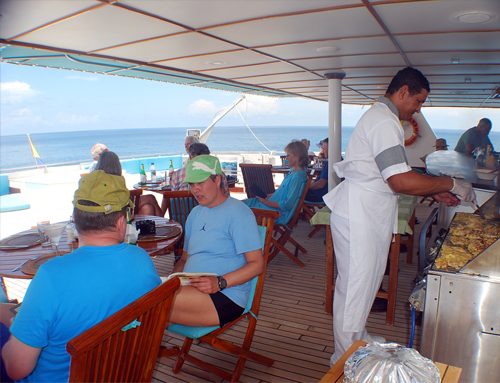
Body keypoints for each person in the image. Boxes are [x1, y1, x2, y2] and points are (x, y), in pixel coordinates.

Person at [322, 67, 475, 367]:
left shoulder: (385, 119)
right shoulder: (383, 121)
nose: (417, 109)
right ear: (403, 91)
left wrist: (434, 191)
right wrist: (450, 184)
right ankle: (343, 359)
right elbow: (400, 181)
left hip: (368, 211)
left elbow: (398, 174)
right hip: (360, 213)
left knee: (365, 282)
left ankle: (357, 337)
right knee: (355, 285)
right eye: (418, 101)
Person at [2, 170, 161, 382]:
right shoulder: (142, 260)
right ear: (122, 222)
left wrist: (15, 332)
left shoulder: (51, 276)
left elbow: (16, 369)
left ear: (75, 220)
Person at [168, 155, 263, 327]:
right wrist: (171, 281)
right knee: (146, 314)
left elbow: (257, 264)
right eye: (192, 184)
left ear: (217, 180)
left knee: (148, 306)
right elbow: (184, 259)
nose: (195, 190)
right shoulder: (195, 214)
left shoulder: (238, 213)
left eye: (201, 183)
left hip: (224, 295)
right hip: (191, 288)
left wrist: (220, 282)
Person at [136, 143, 230, 216]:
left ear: (190, 158)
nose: (195, 188)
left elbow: (173, 204)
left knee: (165, 198)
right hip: (212, 217)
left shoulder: (176, 175)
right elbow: (226, 199)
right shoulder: (220, 175)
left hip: (181, 221)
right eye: (192, 184)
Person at [243, 141, 308, 225]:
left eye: (288, 155)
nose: (286, 158)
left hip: (276, 212)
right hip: (271, 205)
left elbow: (288, 204)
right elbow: (283, 192)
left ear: (297, 156)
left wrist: (267, 203)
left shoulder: (297, 178)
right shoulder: (294, 171)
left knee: (240, 209)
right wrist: (267, 196)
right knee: (238, 204)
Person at [305, 138, 329, 202]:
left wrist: (306, 187)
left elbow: (321, 184)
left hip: (318, 195)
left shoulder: (331, 163)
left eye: (324, 148)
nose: (323, 152)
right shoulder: (338, 160)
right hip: (324, 194)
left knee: (295, 193)